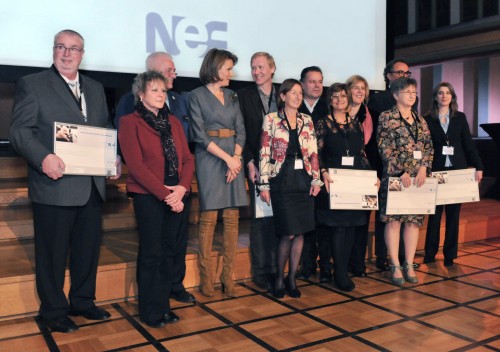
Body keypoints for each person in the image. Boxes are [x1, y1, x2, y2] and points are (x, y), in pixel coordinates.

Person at [9, 29, 121, 333]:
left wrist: (114, 158)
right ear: (53, 50)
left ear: (83, 54)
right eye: (61, 47)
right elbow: (20, 132)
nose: (67, 53)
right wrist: (43, 157)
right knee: (52, 254)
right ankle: (53, 311)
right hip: (54, 186)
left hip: (91, 187)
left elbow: (105, 128)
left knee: (88, 250)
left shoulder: (96, 88)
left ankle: (83, 302)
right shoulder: (33, 85)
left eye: (74, 49)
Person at [115, 52, 194, 304]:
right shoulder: (130, 122)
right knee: (152, 253)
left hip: (176, 195)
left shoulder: (172, 121)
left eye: (162, 90)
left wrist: (181, 189)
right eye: (154, 90)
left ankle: (164, 303)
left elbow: (188, 159)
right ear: (141, 94)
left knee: (171, 251)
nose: (161, 94)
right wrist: (167, 194)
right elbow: (136, 166)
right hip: (149, 196)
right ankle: (152, 308)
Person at [189, 48, 247, 297]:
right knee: (209, 218)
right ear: (214, 68)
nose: (231, 73)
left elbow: (241, 130)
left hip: (232, 156)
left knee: (233, 218)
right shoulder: (195, 96)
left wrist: (236, 158)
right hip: (210, 157)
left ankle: (228, 277)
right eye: (228, 68)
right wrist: (228, 160)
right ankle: (206, 278)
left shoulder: (233, 95)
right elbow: (199, 135)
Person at [259, 78, 323, 298]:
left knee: (301, 233)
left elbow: (313, 152)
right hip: (281, 179)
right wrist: (264, 183)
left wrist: (316, 180)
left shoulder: (307, 119)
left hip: (303, 180)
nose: (297, 97)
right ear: (283, 96)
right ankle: (278, 277)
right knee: (288, 233)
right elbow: (265, 151)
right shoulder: (272, 119)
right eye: (293, 93)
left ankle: (292, 279)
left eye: (299, 93)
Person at [316, 83, 378, 291]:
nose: (340, 100)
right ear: (330, 100)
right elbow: (317, 154)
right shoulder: (323, 123)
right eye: (335, 97)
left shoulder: (355, 124)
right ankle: (340, 273)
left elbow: (361, 154)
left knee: (351, 226)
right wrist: (323, 172)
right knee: (337, 227)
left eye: (343, 96)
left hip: (354, 182)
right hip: (333, 183)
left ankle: (342, 269)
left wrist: (372, 176)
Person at [377, 77, 433, 285]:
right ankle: (394, 264)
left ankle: (408, 263)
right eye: (407, 91)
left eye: (414, 92)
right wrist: (401, 171)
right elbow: (384, 147)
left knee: (413, 222)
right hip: (396, 178)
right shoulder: (387, 117)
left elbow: (428, 147)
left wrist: (424, 168)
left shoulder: (421, 120)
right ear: (395, 95)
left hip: (418, 179)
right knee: (394, 221)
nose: (412, 95)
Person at [423, 82, 483, 267]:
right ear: (435, 97)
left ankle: (450, 255)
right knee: (434, 215)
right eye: (440, 93)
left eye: (447, 93)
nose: (444, 96)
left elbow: (468, 144)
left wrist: (478, 166)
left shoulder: (460, 117)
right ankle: (430, 254)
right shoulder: (427, 118)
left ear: (452, 97)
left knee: (453, 215)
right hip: (436, 171)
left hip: (457, 171)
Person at [367, 58, 419, 271]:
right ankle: (384, 257)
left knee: (407, 214)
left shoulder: (414, 107)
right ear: (388, 76)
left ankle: (403, 259)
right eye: (399, 73)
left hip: (411, 171)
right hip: (385, 166)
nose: (404, 77)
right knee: (387, 217)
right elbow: (379, 140)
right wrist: (395, 167)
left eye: (407, 74)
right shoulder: (378, 102)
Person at [238, 52, 279, 290]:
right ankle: (261, 270)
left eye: (261, 67)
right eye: (253, 68)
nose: (256, 72)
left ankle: (277, 267)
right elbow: (240, 132)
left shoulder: (283, 95)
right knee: (261, 219)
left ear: (272, 69)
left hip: (282, 167)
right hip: (256, 164)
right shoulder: (243, 96)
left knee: (279, 219)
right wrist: (250, 161)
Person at [297, 66, 330, 281]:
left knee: (323, 221)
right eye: (312, 81)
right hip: (300, 173)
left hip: (324, 171)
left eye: (320, 81)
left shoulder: (328, 108)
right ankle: (307, 264)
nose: (317, 85)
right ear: (301, 84)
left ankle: (325, 265)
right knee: (304, 221)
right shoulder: (293, 106)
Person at [114, 52, 190, 139]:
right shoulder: (129, 100)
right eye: (168, 70)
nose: (173, 76)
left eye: (174, 71)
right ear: (152, 71)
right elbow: (124, 136)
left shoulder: (180, 100)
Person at [345, 75, 373, 277]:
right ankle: (341, 263)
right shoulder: (336, 114)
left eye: (363, 88)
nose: (360, 91)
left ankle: (358, 264)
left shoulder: (373, 117)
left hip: (365, 175)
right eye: (356, 87)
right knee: (344, 222)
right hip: (342, 176)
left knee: (362, 222)